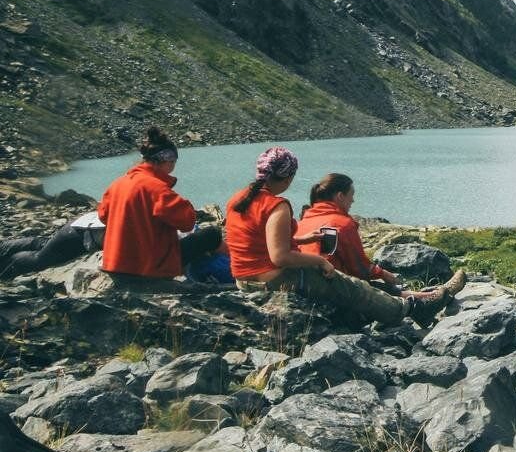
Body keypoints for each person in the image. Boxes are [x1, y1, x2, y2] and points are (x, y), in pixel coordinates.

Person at [225, 148, 464, 327]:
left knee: (351, 285)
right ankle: (409, 309)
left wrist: (304, 240)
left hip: (243, 280)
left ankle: (420, 299)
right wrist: (319, 261)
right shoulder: (277, 205)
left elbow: (258, 242)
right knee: (352, 287)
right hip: (272, 279)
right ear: (288, 177)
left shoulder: (239, 198)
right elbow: (279, 257)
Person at [96, 127, 222, 290]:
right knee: (211, 234)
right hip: (149, 269)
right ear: (168, 159)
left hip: (115, 266)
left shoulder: (118, 184)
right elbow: (187, 221)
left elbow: (103, 216)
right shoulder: (156, 188)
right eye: (174, 161)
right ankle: (237, 273)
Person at [295, 173, 402, 286]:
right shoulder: (342, 224)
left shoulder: (300, 223)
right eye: (351, 195)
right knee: (401, 297)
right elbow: (359, 268)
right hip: (330, 284)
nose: (353, 200)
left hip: (300, 281)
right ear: (340, 196)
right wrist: (383, 274)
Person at [0, 212, 105, 282]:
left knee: (46, 246)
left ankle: (4, 248)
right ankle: (8, 263)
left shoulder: (119, 186)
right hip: (82, 232)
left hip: (85, 224)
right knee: (38, 260)